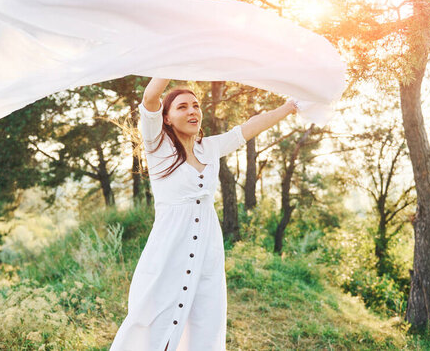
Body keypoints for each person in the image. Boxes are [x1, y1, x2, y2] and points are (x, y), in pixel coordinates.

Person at [110, 78, 299, 351]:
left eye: (196, 106)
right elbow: (151, 97)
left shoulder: (208, 147)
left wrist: (288, 107)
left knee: (203, 321)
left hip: (206, 250)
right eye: (182, 107)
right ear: (166, 119)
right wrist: (176, 56)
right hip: (169, 250)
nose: (192, 111)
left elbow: (248, 128)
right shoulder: (157, 146)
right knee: (153, 319)